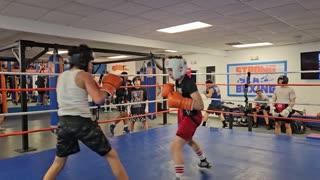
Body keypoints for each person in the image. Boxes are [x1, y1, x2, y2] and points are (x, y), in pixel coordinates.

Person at [43, 44, 128, 180]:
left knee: (58, 162)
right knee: (112, 155)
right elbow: (99, 99)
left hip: (64, 123)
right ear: (83, 61)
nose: (91, 65)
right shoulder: (84, 75)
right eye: (90, 62)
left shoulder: (61, 76)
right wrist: (109, 88)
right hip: (82, 123)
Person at [162, 56, 212, 180]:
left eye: (171, 70)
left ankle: (179, 177)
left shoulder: (188, 83)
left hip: (192, 117)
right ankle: (203, 160)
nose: (169, 74)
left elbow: (200, 105)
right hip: (186, 116)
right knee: (188, 140)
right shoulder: (178, 80)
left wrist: (182, 101)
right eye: (168, 70)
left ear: (179, 69)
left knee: (175, 146)